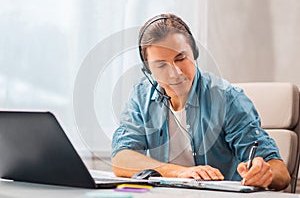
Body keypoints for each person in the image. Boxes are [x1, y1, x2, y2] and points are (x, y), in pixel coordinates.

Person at [111, 13, 290, 190]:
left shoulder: (228, 98)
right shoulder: (141, 97)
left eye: (181, 59)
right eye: (161, 65)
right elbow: (121, 158)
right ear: (148, 70)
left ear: (195, 53)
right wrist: (179, 172)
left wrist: (265, 173)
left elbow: (281, 173)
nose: (175, 73)